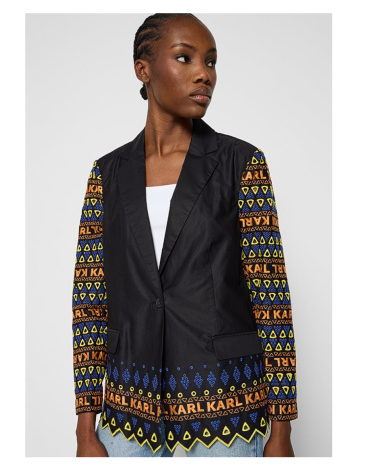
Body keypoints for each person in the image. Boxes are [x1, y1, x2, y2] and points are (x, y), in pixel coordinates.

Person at [73, 13, 298, 457]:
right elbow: (90, 301)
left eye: (211, 62)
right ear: (143, 69)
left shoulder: (241, 163)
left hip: (227, 413)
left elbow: (271, 300)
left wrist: (282, 430)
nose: (204, 74)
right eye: (185, 58)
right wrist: (85, 427)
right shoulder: (107, 174)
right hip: (128, 415)